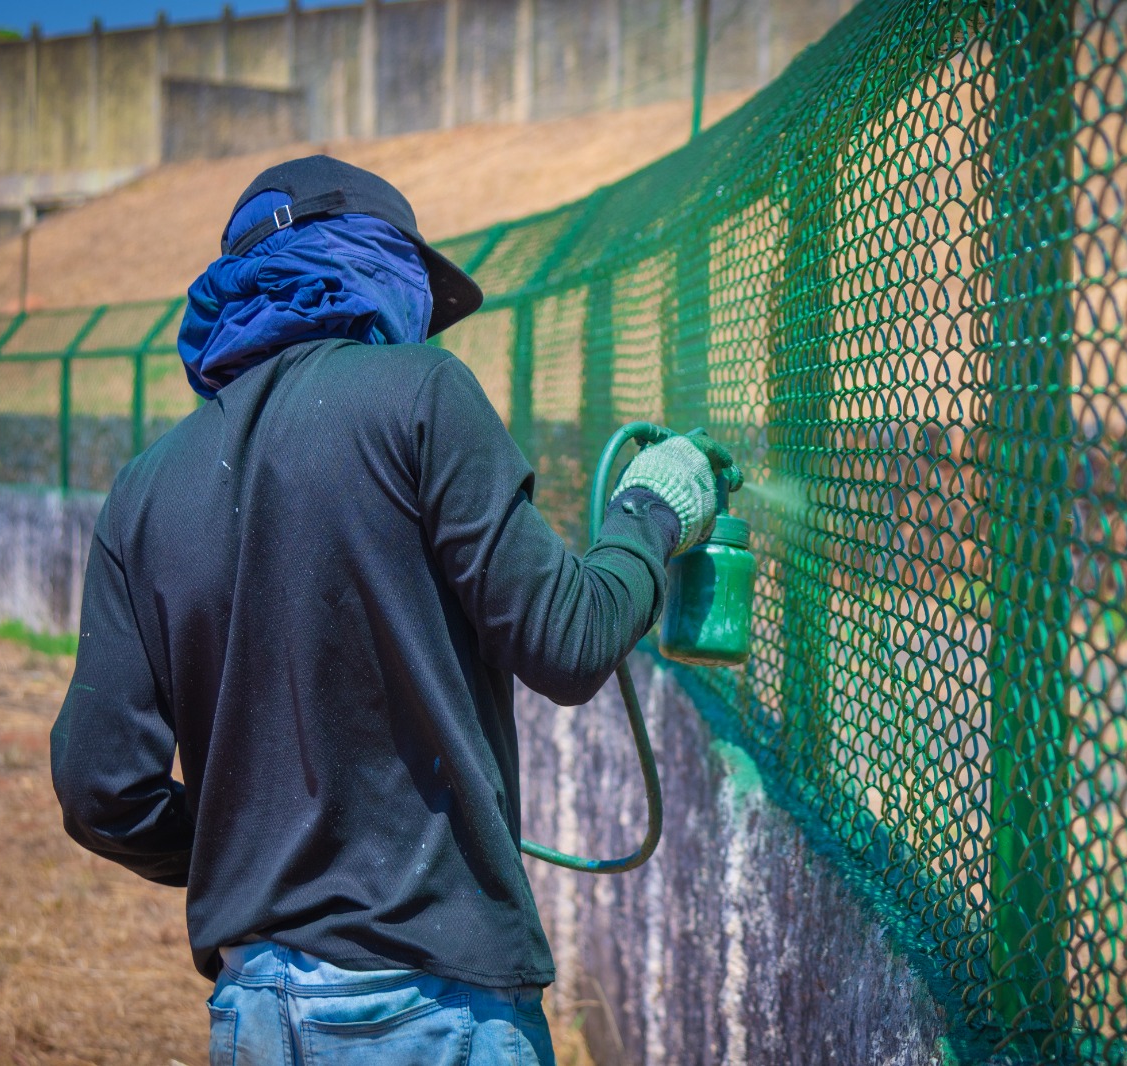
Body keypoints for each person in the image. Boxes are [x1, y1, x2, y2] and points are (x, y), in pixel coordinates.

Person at [49, 155, 736, 1066]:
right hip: (434, 1006)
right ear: (371, 262)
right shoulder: (421, 394)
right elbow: (570, 641)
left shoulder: (141, 491)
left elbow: (101, 787)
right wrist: (652, 513)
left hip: (256, 1010)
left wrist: (251, 865)